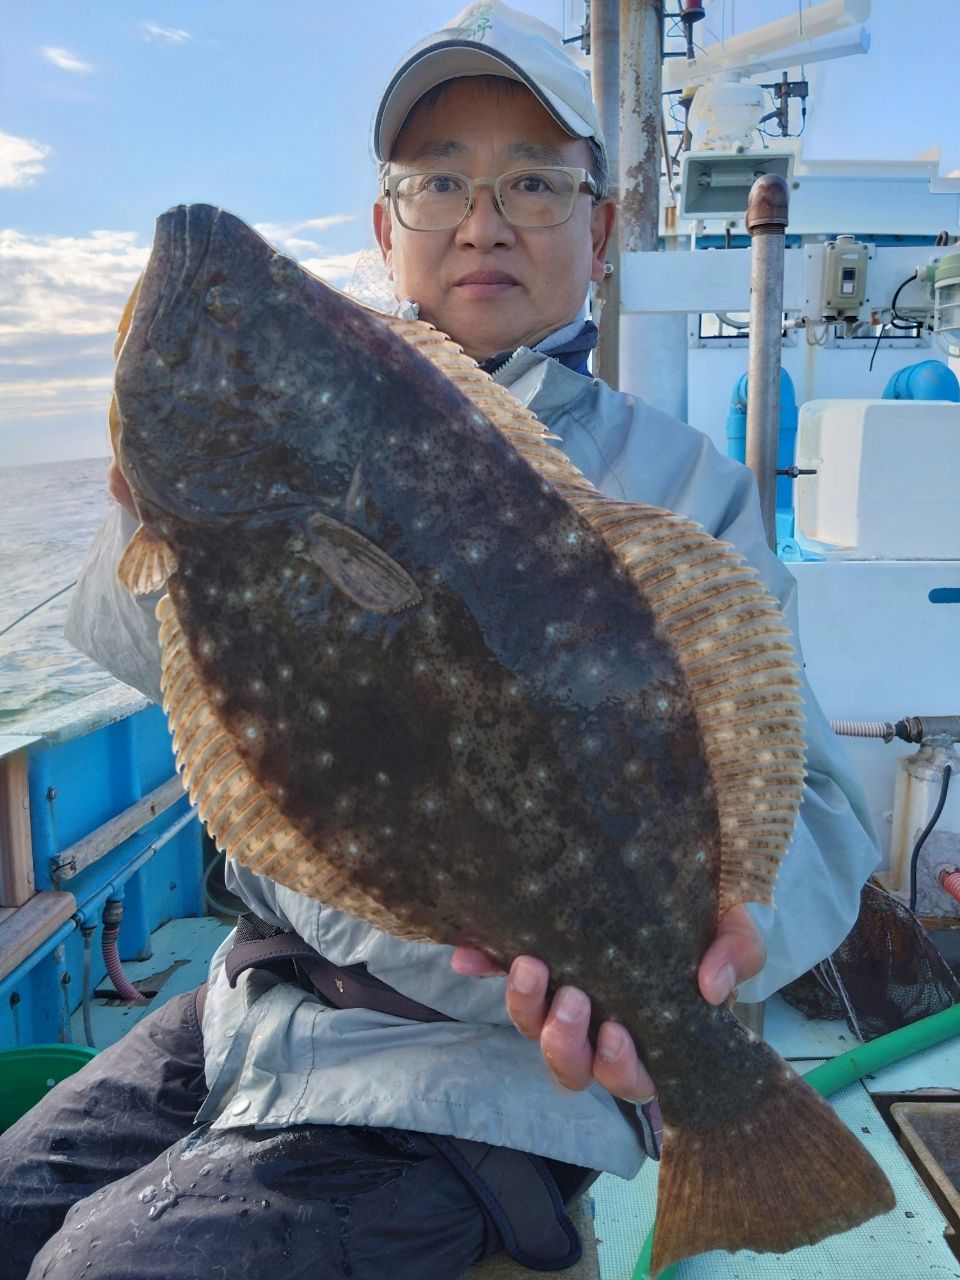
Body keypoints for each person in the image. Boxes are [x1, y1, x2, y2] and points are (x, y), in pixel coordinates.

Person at [0, 4, 880, 1278]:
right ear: (385, 228)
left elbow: (816, 813)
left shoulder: (682, 484)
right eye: (439, 181)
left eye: (534, 181)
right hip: (258, 999)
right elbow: (179, 681)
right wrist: (158, 513)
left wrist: (703, 952)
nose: (483, 220)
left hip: (491, 1070)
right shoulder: (319, 409)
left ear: (601, 230)